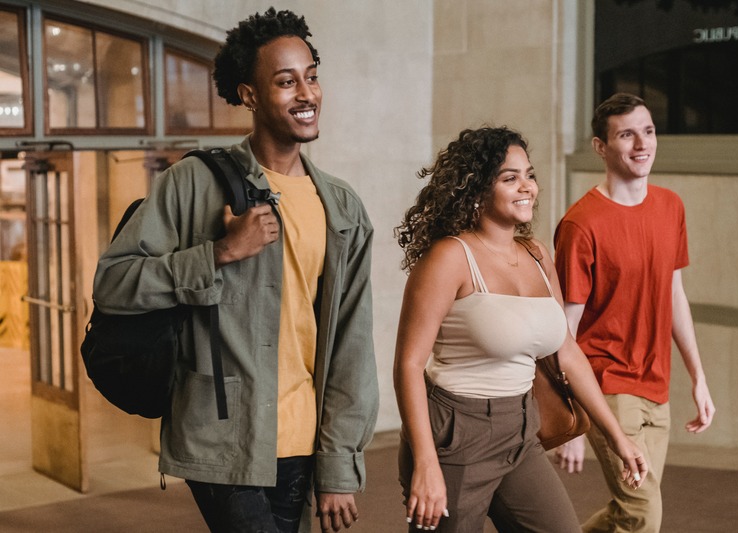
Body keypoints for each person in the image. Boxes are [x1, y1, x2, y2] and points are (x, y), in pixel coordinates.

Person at [92, 9, 378, 533]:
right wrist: (217, 254)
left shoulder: (342, 208)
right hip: (221, 436)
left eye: (311, 76)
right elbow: (113, 284)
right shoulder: (192, 184)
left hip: (303, 440)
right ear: (248, 95)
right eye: (286, 81)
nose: (307, 93)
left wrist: (339, 464)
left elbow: (352, 347)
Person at [393, 126, 649, 532]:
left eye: (529, 174)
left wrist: (617, 436)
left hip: (521, 431)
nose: (526, 186)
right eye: (509, 178)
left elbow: (566, 351)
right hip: (456, 435)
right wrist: (425, 461)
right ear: (477, 189)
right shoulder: (450, 257)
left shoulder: (535, 254)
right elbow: (408, 365)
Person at [553, 93, 716, 532]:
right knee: (645, 514)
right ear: (600, 147)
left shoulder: (670, 207)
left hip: (656, 384)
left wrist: (698, 378)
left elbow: (673, 294)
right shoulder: (581, 224)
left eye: (648, 131)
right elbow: (564, 330)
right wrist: (572, 413)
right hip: (607, 385)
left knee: (629, 513)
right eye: (626, 134)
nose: (642, 144)